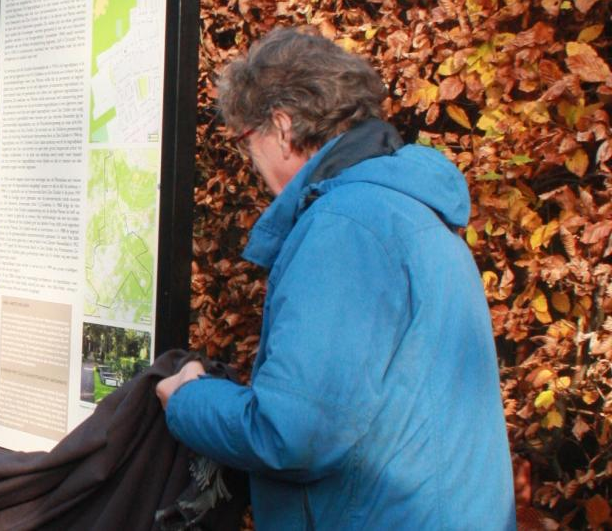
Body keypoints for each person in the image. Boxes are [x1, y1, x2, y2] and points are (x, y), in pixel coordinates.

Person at [156, 28, 514, 528]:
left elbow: (296, 434)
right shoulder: (406, 207)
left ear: (281, 127)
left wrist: (188, 400)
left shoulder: (345, 226)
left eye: (244, 143)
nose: (250, 165)